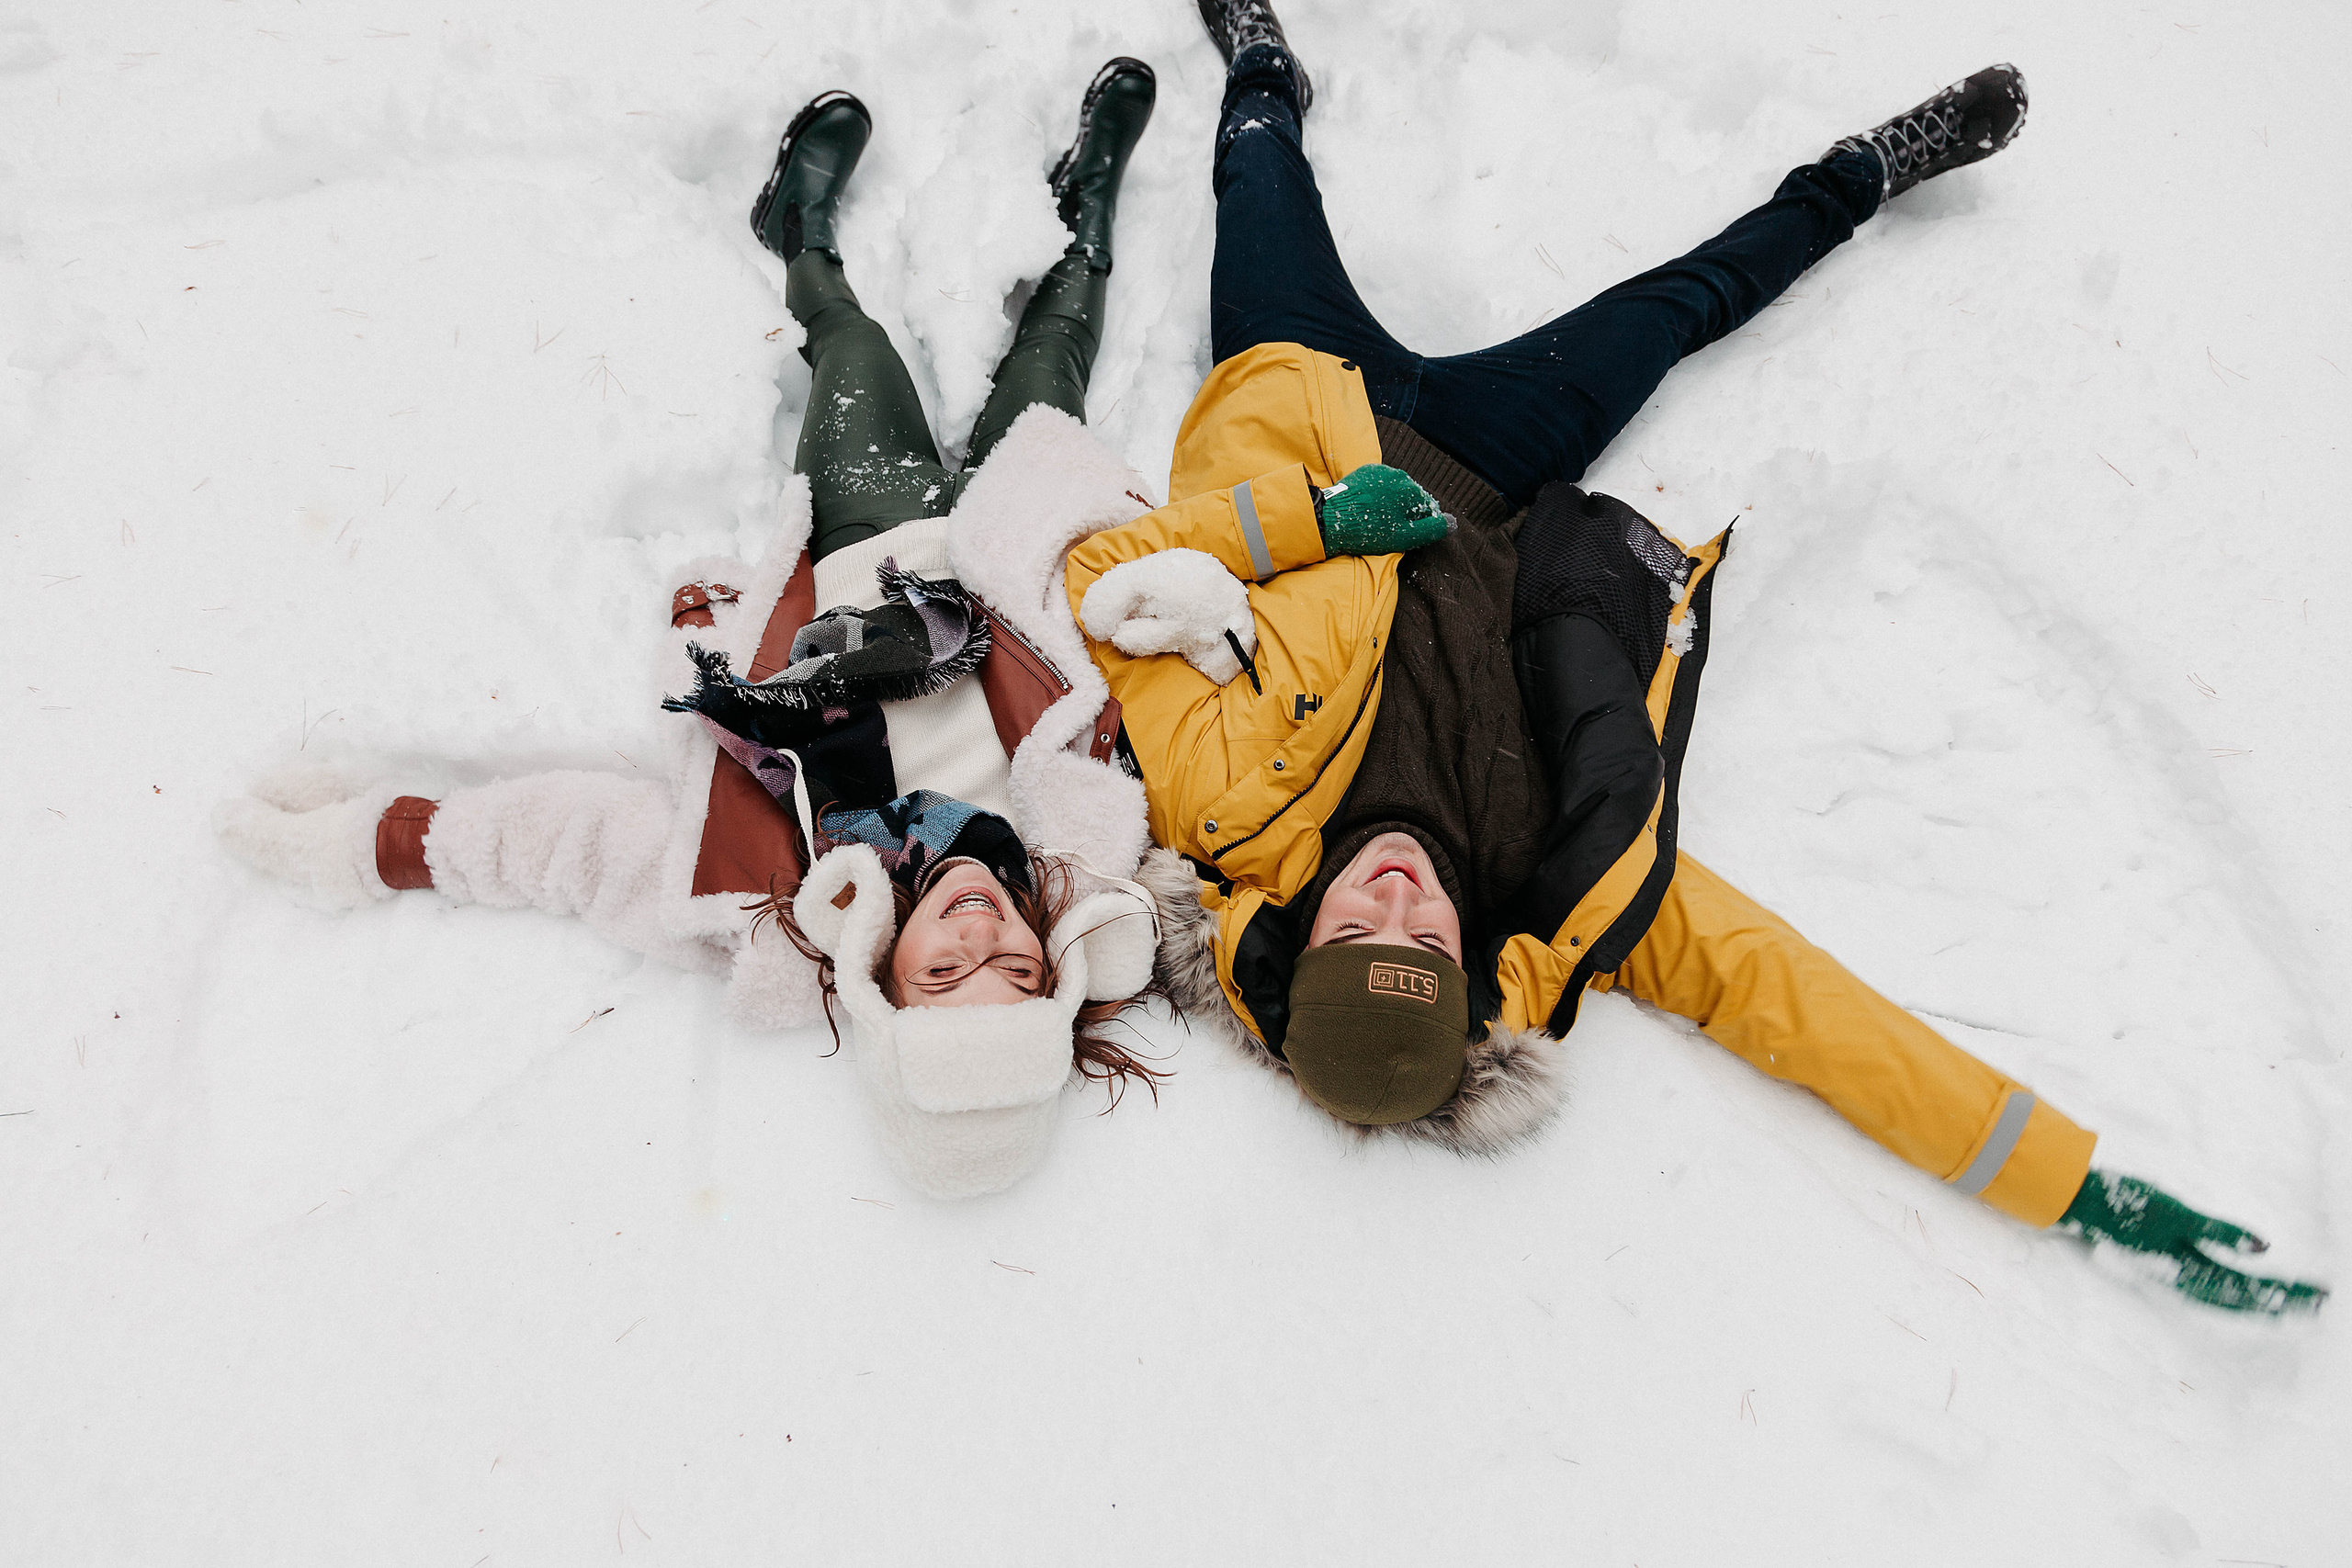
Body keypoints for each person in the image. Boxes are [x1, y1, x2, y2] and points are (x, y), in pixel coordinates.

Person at [1066, 2, 2325, 1313]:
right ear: (1467, 967)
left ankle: (1264, 58)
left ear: (1300, 935)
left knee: (1257, 168)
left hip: (1295, 401)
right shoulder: (1563, 879)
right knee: (1679, 306)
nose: (1394, 894)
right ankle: (1864, 173)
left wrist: (1312, 519)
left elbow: (1097, 578)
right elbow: (1797, 1003)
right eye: (1425, 940)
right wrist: (2070, 1183)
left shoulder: (1219, 805)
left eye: (1357, 924)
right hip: (1500, 463)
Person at [216, 61, 1194, 1201]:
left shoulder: (771, 900)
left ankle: (803, 240)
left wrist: (360, 846)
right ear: (1053, 984)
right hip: (1014, 544)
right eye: (1013, 976)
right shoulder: (1094, 860)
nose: (981, 935)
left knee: (860, 353)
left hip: (862, 541)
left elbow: (563, 846)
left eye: (945, 977)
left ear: (886, 988)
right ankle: (1087, 213)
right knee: (1052, 356)